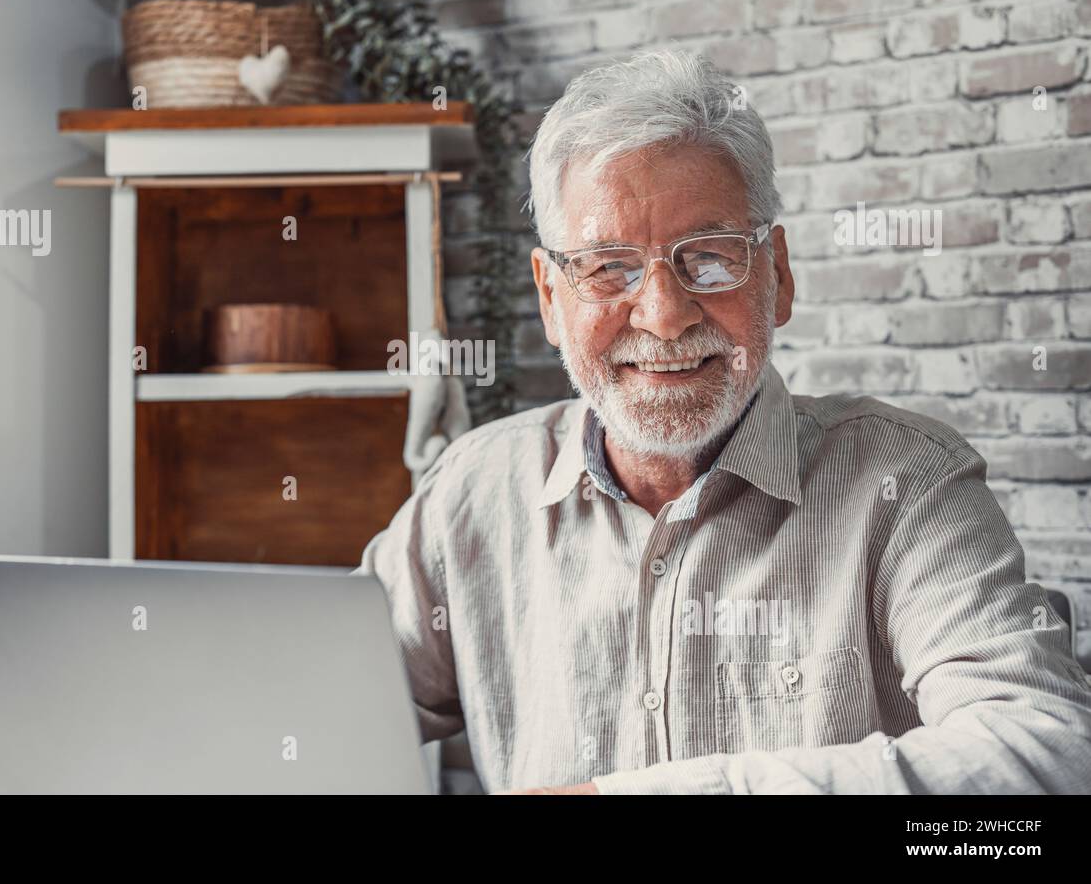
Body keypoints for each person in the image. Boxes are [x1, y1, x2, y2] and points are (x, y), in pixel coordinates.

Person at [352, 49, 1091, 794]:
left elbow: (1046, 755)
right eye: (610, 266)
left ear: (778, 274)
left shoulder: (908, 485)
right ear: (550, 298)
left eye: (708, 257)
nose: (665, 316)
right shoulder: (469, 496)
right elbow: (303, 713)